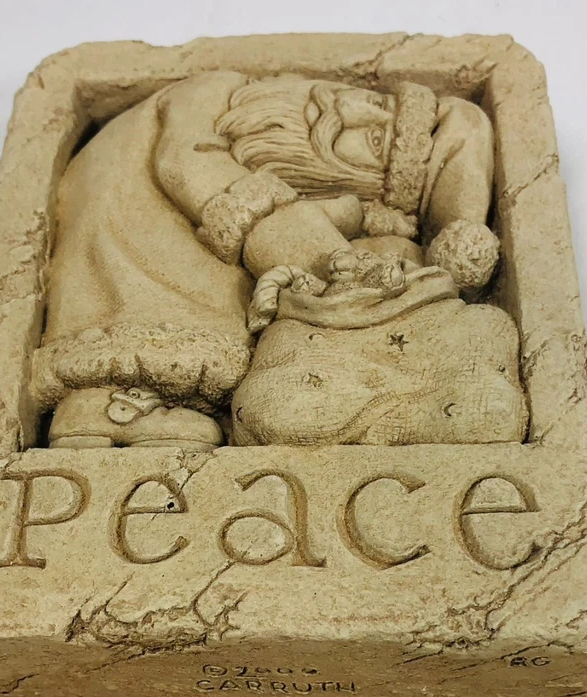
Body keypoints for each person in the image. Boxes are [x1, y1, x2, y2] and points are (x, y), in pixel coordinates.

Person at [34, 71, 512, 449]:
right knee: (144, 314)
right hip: (127, 234)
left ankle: (132, 406)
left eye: (374, 142)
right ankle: (104, 405)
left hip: (163, 249)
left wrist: (352, 239)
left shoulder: (279, 178)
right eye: (379, 105)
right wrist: (339, 266)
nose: (350, 110)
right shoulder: (213, 92)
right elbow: (199, 172)